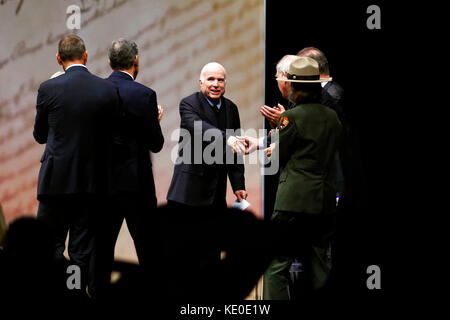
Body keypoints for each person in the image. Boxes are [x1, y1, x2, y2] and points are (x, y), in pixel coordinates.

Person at [33, 34, 120, 296]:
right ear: (85, 55)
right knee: (81, 248)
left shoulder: (48, 89)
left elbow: (39, 136)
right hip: (90, 183)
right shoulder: (106, 89)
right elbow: (112, 137)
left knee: (49, 243)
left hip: (54, 182)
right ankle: (74, 292)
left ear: (58, 58)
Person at [262, 57, 342, 300]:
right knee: (320, 264)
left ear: (296, 88)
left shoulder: (291, 118)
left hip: (293, 203)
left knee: (277, 263)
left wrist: (274, 137)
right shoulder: (332, 117)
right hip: (323, 202)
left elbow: (277, 157)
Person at [91, 38, 164, 298]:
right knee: (148, 250)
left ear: (109, 62)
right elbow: (156, 144)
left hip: (103, 186)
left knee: (101, 250)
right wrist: (154, 121)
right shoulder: (145, 95)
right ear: (136, 61)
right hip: (138, 187)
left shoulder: (96, 91)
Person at [167, 62, 247, 208]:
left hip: (216, 193)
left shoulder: (231, 108)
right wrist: (227, 138)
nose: (215, 84)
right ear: (201, 82)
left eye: (220, 80)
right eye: (210, 79)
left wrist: (238, 185)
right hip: (188, 193)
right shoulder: (188, 104)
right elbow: (200, 128)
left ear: (225, 83)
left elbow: (235, 150)